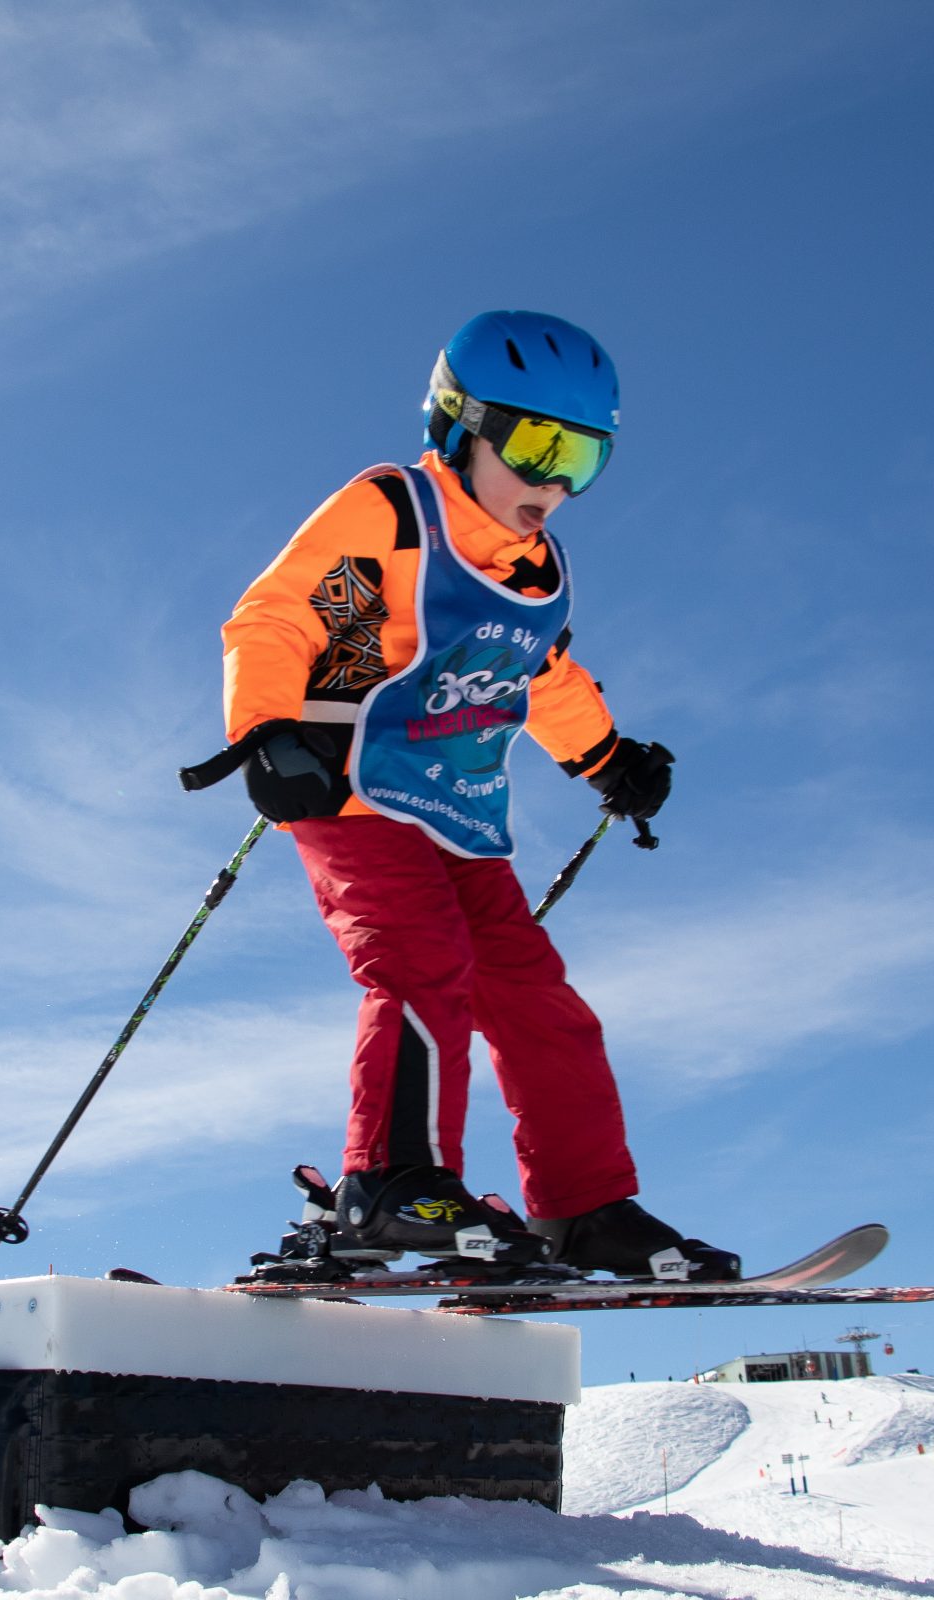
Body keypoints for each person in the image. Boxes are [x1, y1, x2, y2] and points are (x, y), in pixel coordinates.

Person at [202, 310, 737, 1281]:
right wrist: (271, 731)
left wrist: (606, 757)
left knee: (542, 1004)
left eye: (584, 458)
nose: (554, 482)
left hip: (459, 814)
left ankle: (587, 1207)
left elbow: (536, 672)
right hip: (353, 790)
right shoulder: (394, 513)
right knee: (419, 961)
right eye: (536, 446)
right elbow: (281, 617)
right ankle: (393, 1181)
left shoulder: (537, 571)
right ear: (460, 424)